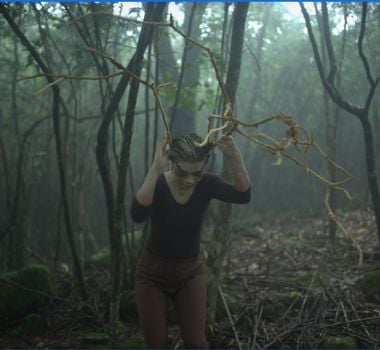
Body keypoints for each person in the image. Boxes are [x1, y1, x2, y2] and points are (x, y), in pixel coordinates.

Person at [130, 132, 251, 348]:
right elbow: (137, 214)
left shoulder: (208, 184)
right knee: (156, 344)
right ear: (172, 163)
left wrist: (235, 155)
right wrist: (156, 166)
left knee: (196, 343)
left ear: (205, 164)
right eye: (182, 172)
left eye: (196, 173)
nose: (189, 179)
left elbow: (243, 195)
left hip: (190, 272)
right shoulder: (157, 183)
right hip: (151, 275)